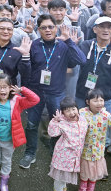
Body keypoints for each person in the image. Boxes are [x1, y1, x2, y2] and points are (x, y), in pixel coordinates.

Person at [19, 15, 85, 169]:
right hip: (35, 92)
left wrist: (69, 42)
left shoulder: (64, 45)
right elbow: (25, 72)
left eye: (51, 27)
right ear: (38, 29)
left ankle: (56, 153)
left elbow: (81, 61)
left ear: (56, 28)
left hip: (56, 93)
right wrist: (25, 56)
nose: (47, 30)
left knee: (58, 125)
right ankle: (30, 153)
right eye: (43, 27)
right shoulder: (33, 45)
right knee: (31, 125)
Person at [77, 89, 111, 191]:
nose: (99, 103)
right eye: (95, 101)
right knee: (85, 171)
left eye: (101, 100)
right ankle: (82, 190)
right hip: (85, 150)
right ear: (88, 102)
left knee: (94, 171)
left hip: (98, 150)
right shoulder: (82, 113)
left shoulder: (105, 115)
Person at [48, 98, 88, 191]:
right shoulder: (63, 123)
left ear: (77, 109)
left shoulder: (82, 120)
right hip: (63, 157)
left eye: (73, 109)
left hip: (73, 158)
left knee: (64, 179)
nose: (71, 113)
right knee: (60, 179)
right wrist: (55, 121)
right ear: (63, 113)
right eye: (67, 110)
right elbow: (52, 133)